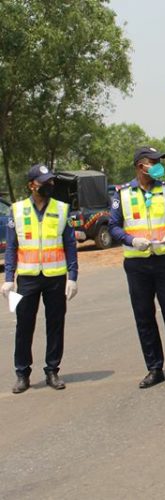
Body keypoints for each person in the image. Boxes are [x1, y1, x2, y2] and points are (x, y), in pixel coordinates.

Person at [108, 146, 165, 389]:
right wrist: (131, 240)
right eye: (153, 162)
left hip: (164, 261)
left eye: (159, 161)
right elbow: (114, 226)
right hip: (136, 263)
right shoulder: (121, 193)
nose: (158, 165)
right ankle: (154, 368)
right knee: (144, 316)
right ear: (140, 166)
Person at [2, 164, 78, 394]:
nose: (49, 185)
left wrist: (72, 276)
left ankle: (52, 370)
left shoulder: (62, 209)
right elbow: (11, 247)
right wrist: (8, 278)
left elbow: (70, 245)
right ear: (31, 185)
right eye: (44, 182)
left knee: (55, 325)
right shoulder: (17, 210)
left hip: (55, 277)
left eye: (51, 181)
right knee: (24, 325)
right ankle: (22, 373)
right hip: (26, 278)